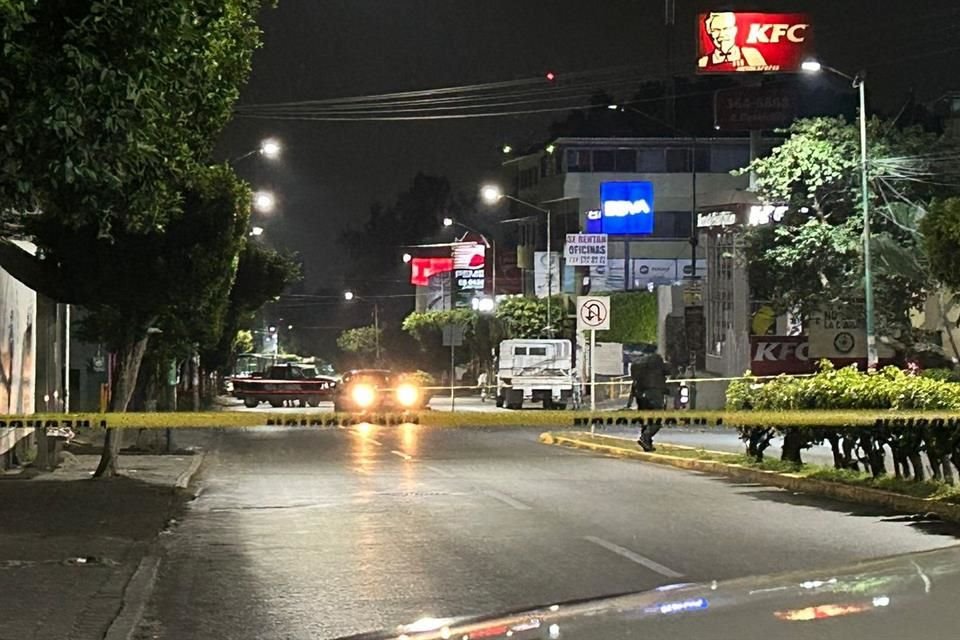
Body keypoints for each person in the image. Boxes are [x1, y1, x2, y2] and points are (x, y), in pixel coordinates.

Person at [697, 12, 768, 72]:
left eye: (726, 29)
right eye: (716, 30)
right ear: (710, 33)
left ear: (734, 30)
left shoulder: (751, 54)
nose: (722, 34)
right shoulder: (703, 62)